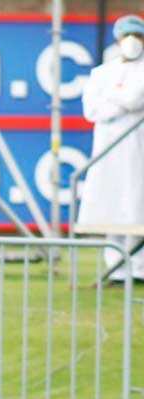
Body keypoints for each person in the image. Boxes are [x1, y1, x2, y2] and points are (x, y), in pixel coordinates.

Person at [78, 14, 144, 283]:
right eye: (126, 35)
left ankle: (139, 268)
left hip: (137, 148)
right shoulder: (101, 73)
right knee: (112, 207)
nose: (132, 41)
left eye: (137, 36)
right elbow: (92, 109)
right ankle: (115, 269)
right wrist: (120, 100)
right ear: (117, 39)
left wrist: (112, 96)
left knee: (137, 205)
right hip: (108, 150)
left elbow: (134, 98)